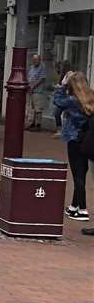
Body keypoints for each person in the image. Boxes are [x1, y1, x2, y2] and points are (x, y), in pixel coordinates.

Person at [51, 70, 94, 221]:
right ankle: (74, 206)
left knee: (78, 175)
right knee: (82, 172)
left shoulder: (73, 101)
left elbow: (57, 101)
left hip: (74, 139)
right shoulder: (91, 97)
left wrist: (62, 85)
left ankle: (82, 209)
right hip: (87, 140)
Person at [25, 53, 49, 130]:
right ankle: (32, 123)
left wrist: (33, 86)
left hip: (38, 91)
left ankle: (38, 125)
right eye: (33, 60)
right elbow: (29, 77)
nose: (35, 61)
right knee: (32, 108)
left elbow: (42, 79)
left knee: (38, 108)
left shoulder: (42, 67)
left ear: (39, 60)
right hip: (31, 91)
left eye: (36, 59)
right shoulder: (31, 67)